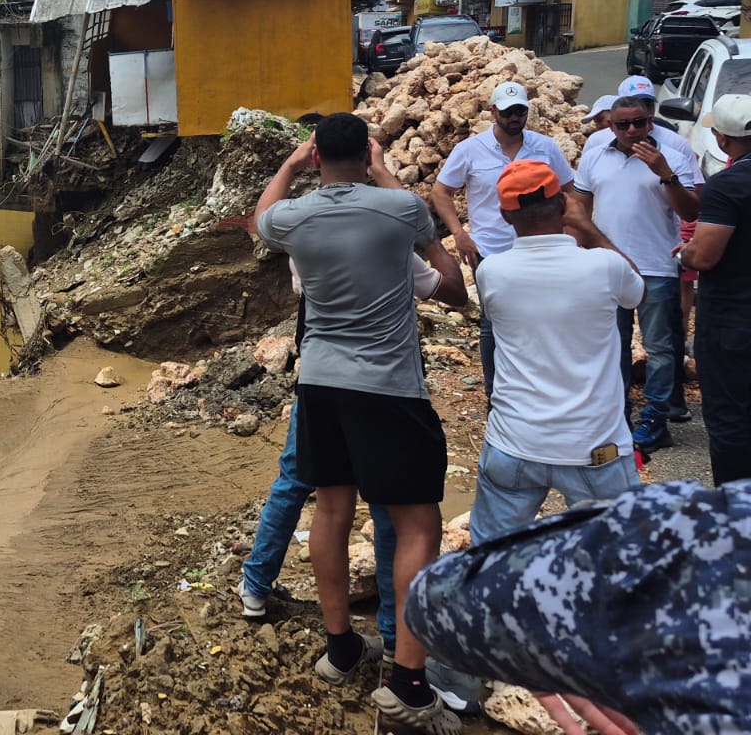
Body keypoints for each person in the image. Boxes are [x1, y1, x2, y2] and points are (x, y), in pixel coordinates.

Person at [255, 112, 459, 734]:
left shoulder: (294, 220)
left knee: (331, 511)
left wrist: (290, 165)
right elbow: (430, 240)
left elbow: (264, 216)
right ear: (366, 154)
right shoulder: (396, 211)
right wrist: (385, 171)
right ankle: (409, 685)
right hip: (388, 388)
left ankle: (341, 648)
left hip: (320, 383)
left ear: (316, 158)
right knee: (418, 524)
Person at [239, 244, 466, 663]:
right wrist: (432, 240)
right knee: (388, 506)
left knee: (304, 487)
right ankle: (395, 635)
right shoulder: (389, 243)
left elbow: (300, 288)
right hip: (383, 384)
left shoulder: (306, 242)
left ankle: (259, 586)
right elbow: (449, 291)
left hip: (323, 382)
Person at [406, 477, 751, 735]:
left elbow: (435, 601)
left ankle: (442, 682)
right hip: (594, 447)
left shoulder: (720, 531)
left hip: (519, 446)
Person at [471, 160, 644, 541]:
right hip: (594, 446)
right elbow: (636, 291)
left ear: (504, 215)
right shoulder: (604, 266)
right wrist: (587, 227)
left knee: (492, 560)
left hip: (514, 442)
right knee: (616, 561)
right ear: (564, 204)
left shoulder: (491, 272)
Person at [569, 95, 700, 454]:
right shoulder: (595, 155)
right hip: (607, 267)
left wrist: (666, 175)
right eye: (622, 124)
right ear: (610, 124)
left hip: (656, 266)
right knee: (613, 348)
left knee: (660, 350)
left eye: (638, 123)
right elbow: (579, 209)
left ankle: (655, 421)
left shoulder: (672, 155)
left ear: (650, 120)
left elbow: (691, 211)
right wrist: (576, 252)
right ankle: (619, 419)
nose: (631, 130)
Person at [433, 81, 575, 397]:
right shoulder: (470, 150)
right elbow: (441, 191)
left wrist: (569, 233)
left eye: (520, 111)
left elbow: (569, 190)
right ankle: (496, 394)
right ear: (493, 111)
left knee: (541, 318)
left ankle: (538, 389)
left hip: (540, 249)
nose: (515, 118)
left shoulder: (545, 147)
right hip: (489, 251)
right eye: (509, 112)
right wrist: (459, 234)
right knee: (493, 323)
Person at [678, 93, 751, 485]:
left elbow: (704, 257)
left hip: (732, 324)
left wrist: (685, 254)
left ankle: (738, 518)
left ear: (722, 139)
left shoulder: (728, 186)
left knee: (730, 421)